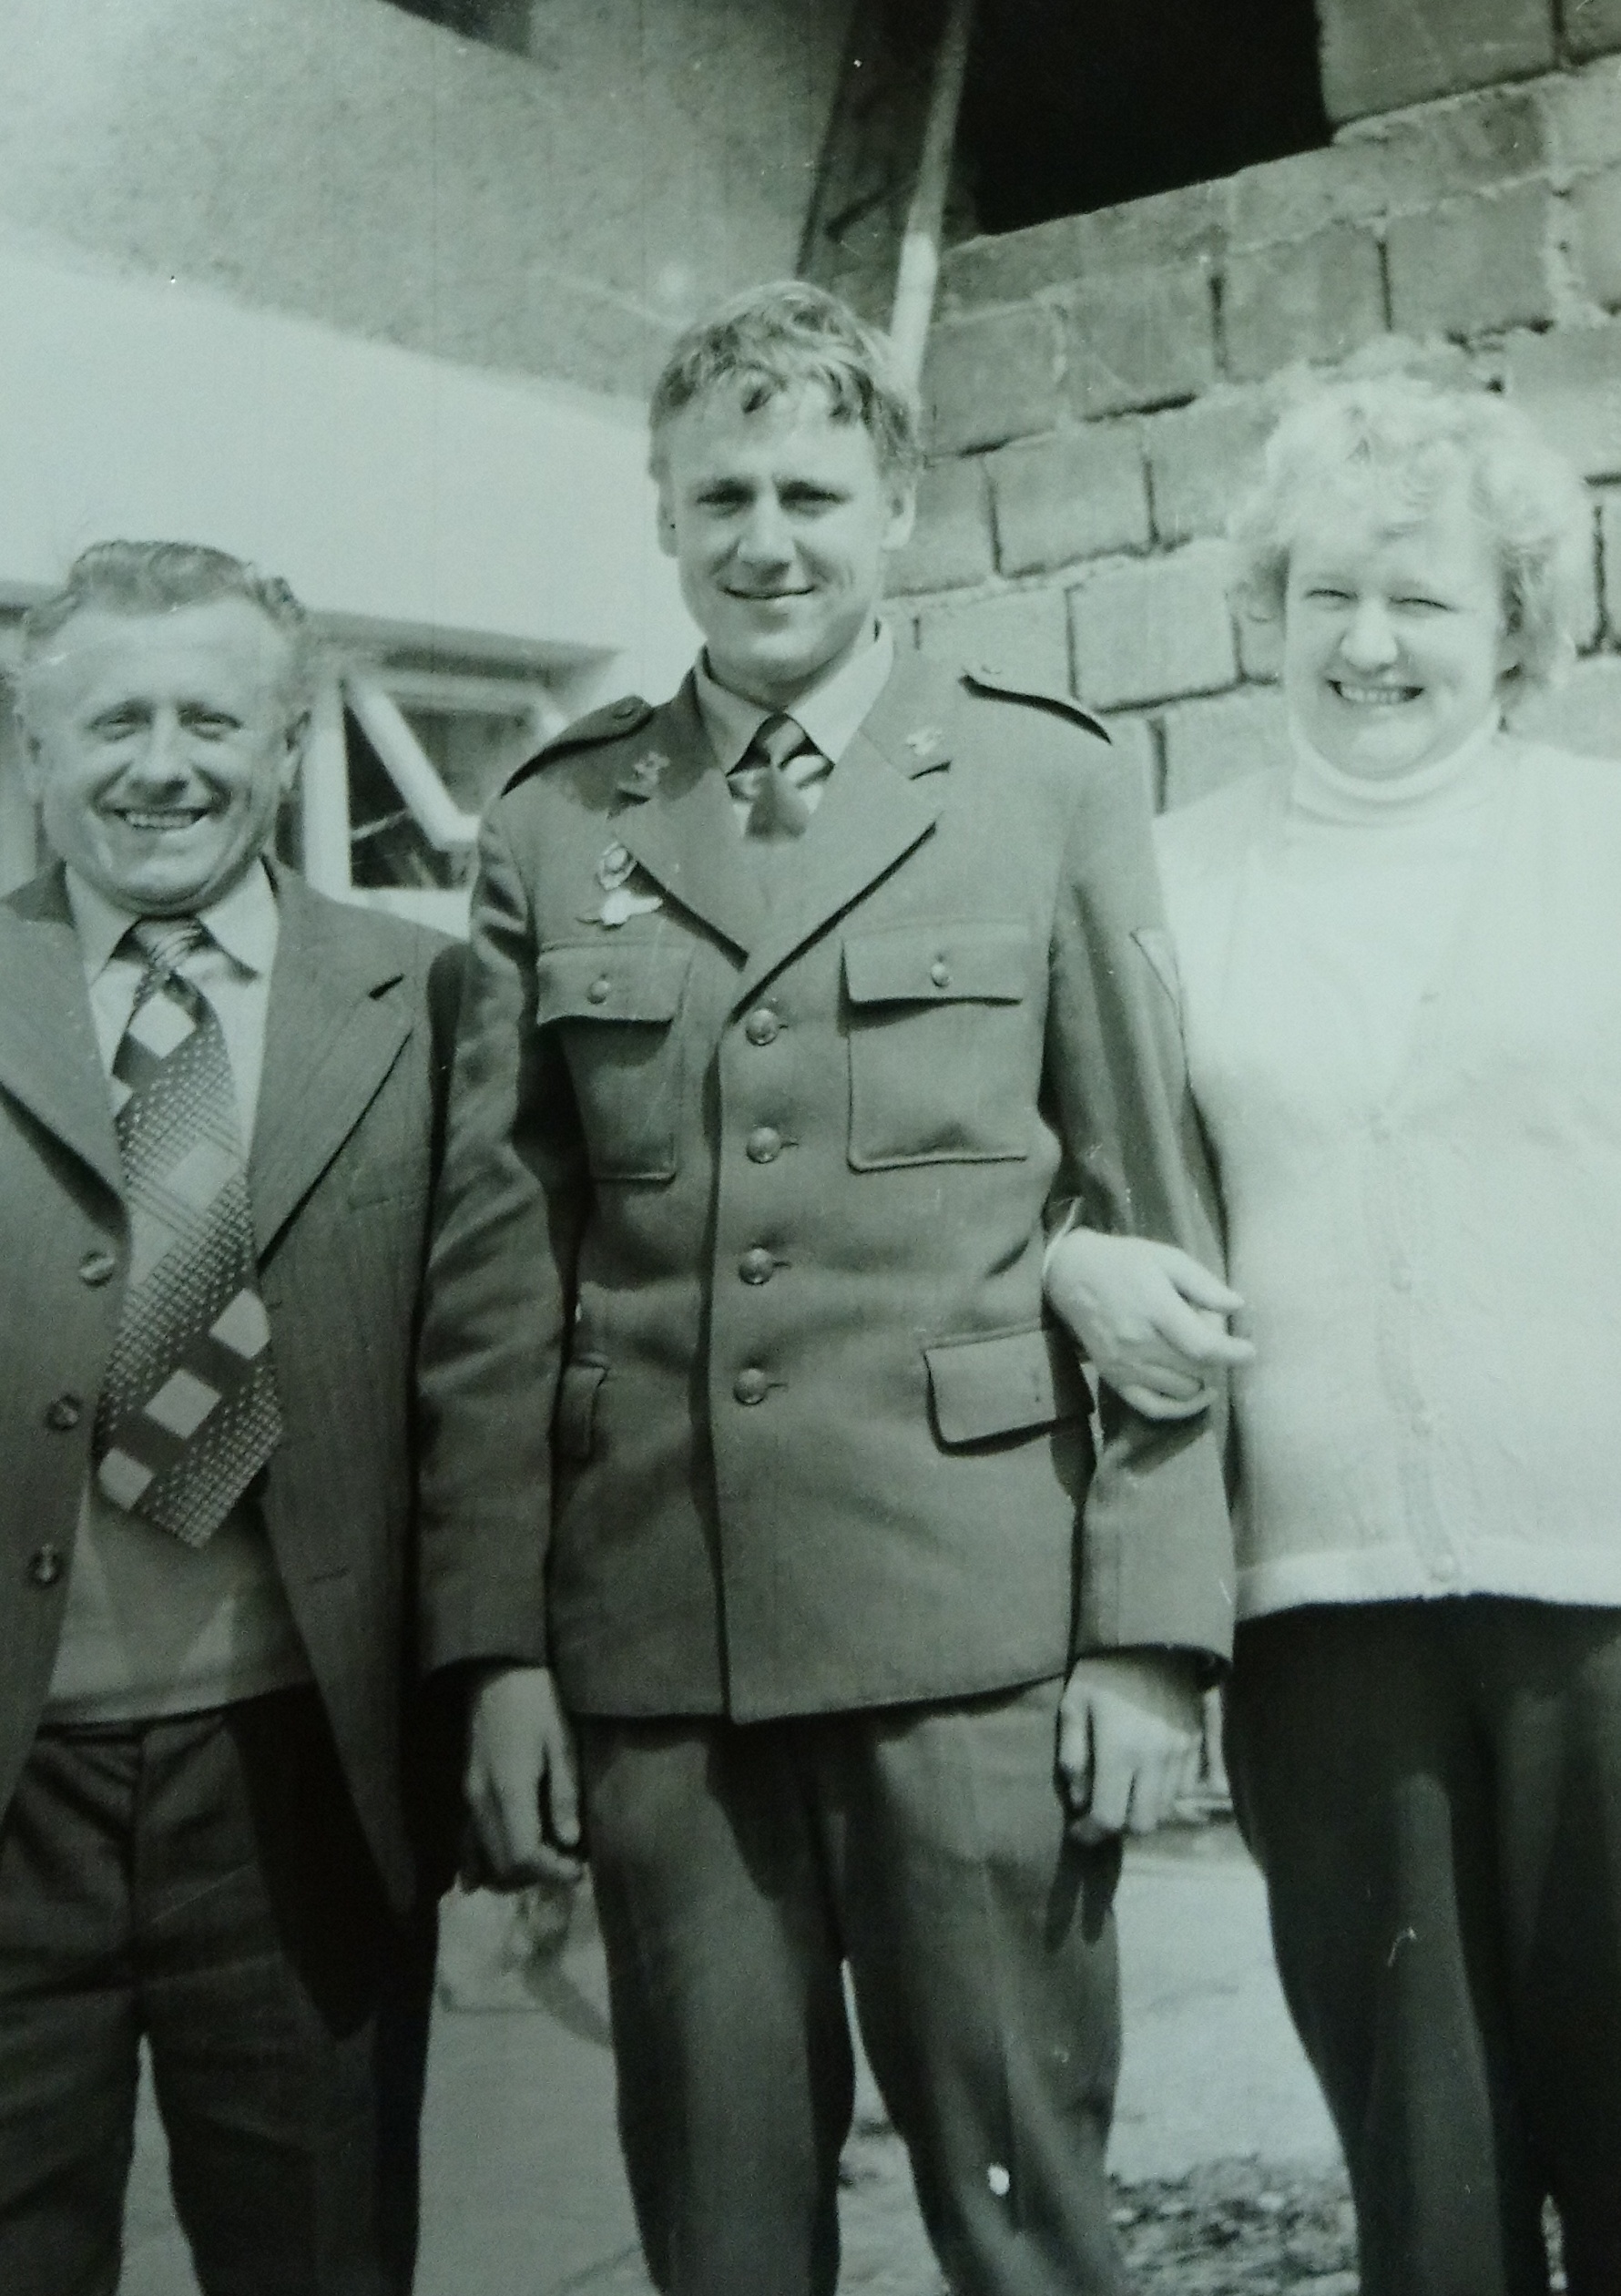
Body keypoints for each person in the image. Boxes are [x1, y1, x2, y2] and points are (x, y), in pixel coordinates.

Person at [417, 280, 1234, 2296]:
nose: (764, 538)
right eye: (721, 496)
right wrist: (496, 1655)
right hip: (659, 1658)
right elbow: (500, 1280)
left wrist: (1148, 1637)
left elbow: (1156, 1229)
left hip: (973, 1641)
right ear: (661, 512)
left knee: (1027, 2229)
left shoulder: (1044, 785)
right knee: (719, 2237)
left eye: (810, 493)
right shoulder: (554, 823)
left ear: (898, 509)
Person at [1044, 372, 1621, 2296]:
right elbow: (1049, 1164)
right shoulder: (1171, 881)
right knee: (1426, 2183)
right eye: (1325, 597)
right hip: (1321, 1622)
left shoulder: (1602, 842)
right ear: (1266, 610)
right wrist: (1066, 1265)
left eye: (1421, 600)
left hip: (1608, 1604)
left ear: (1515, 626)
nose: (1367, 644)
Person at [0, 542, 462, 2296]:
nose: (163, 764)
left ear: (286, 743)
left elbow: (488, 1376)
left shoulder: (424, 998)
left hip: (296, 1778)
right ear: (35, 749)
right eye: (113, 721)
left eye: (212, 719)